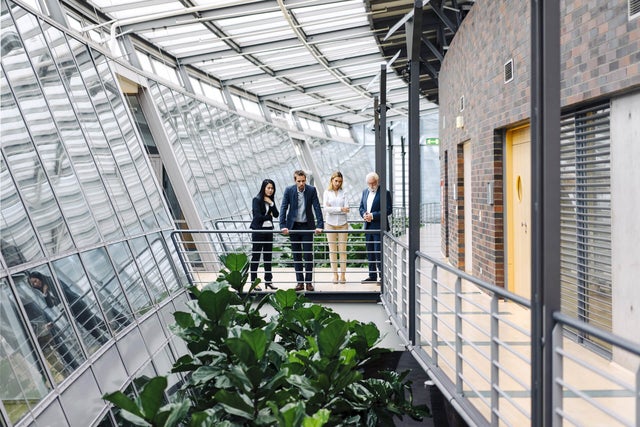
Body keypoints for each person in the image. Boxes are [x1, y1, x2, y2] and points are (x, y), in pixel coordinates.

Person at [28, 271, 108, 345]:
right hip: (71, 311)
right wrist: (45, 294)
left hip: (76, 305)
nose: (35, 284)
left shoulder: (51, 280)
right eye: (33, 284)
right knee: (89, 326)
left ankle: (110, 331)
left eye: (35, 281)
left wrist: (52, 294)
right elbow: (50, 305)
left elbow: (64, 292)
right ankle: (104, 341)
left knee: (94, 321)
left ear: (40, 278)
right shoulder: (44, 290)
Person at [280, 170, 324, 291]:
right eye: (299, 181)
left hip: (307, 227)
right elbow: (283, 207)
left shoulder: (311, 190)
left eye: (303, 181)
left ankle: (308, 282)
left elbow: (317, 207)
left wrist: (320, 225)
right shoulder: (289, 190)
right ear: (295, 181)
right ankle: (300, 282)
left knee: (308, 255)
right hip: (293, 227)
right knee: (296, 255)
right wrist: (282, 225)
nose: (301, 183)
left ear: (305, 180)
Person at [358, 172, 392, 283]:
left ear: (377, 182)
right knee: (370, 252)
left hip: (379, 227)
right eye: (369, 183)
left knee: (379, 252)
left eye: (373, 183)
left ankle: (383, 277)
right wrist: (364, 215)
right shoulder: (364, 192)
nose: (371, 186)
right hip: (368, 227)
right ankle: (372, 276)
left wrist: (372, 216)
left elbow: (388, 209)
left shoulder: (385, 192)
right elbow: (361, 207)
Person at [249, 179, 279, 291]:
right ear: (263, 188)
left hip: (268, 231)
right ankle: (253, 281)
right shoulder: (256, 200)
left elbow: (276, 214)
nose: (270, 190)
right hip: (258, 231)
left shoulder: (270, 201)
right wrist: (268, 216)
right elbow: (257, 216)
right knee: (256, 256)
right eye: (268, 188)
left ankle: (268, 281)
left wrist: (271, 204)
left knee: (268, 257)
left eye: (272, 188)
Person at [323, 171, 350, 284]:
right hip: (330, 224)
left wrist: (333, 208)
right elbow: (326, 209)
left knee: (342, 250)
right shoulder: (327, 192)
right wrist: (339, 209)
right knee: (332, 251)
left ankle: (343, 275)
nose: (338, 183)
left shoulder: (344, 192)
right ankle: (335, 275)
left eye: (340, 181)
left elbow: (347, 209)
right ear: (332, 180)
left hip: (343, 224)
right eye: (336, 181)